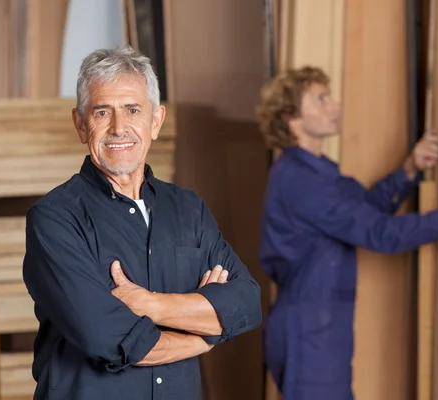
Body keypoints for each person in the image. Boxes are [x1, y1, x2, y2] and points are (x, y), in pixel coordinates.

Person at [22, 46, 262, 400]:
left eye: (133, 110)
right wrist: (207, 334)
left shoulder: (188, 209)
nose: (119, 128)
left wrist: (149, 304)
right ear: (80, 124)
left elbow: (247, 304)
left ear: (156, 121)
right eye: (103, 112)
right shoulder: (56, 219)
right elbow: (111, 339)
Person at [256, 66, 438, 400]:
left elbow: (364, 210)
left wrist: (409, 170)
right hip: (309, 328)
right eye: (321, 99)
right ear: (292, 119)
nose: (335, 105)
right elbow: (381, 233)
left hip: (323, 325)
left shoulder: (319, 172)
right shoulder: (300, 182)